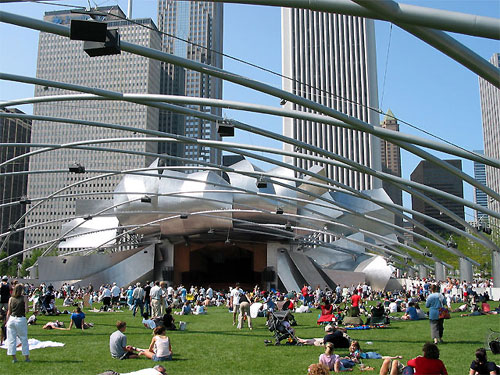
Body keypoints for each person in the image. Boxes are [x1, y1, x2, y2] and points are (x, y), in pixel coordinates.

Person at [5, 283, 30, 363]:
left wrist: (6, 321)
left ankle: (14, 358)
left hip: (11, 319)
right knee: (24, 339)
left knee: (11, 339)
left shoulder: (11, 299)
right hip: (20, 319)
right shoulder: (24, 298)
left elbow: (9, 311)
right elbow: (26, 310)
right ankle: (26, 357)